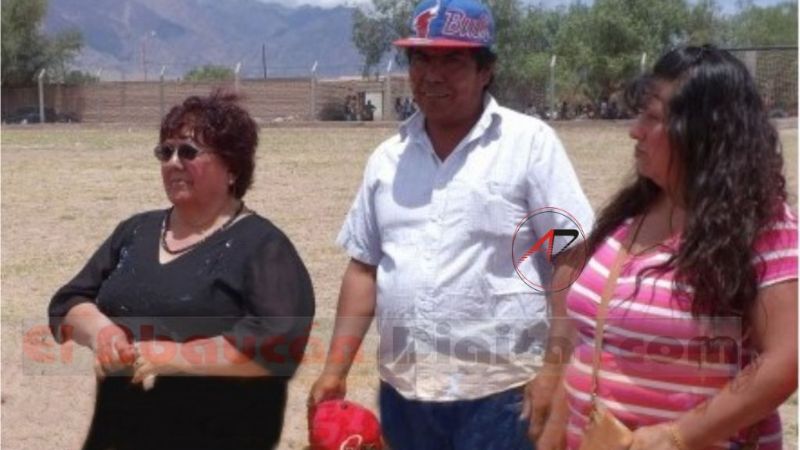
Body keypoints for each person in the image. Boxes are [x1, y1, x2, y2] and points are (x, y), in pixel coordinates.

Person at [308, 0, 593, 449]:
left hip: (502, 394)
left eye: (452, 60)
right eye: (421, 59)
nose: (432, 74)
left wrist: (555, 370)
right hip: (405, 395)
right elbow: (364, 268)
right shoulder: (388, 160)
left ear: (486, 71)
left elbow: (571, 255)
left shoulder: (528, 146)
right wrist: (335, 370)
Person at [537, 45, 797, 450]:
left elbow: (785, 360)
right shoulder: (633, 213)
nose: (634, 130)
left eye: (653, 117)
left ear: (705, 131)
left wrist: (678, 436)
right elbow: (586, 329)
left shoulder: (762, 227)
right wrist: (558, 402)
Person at [48, 90, 315, 450]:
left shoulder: (262, 247)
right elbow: (70, 301)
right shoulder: (135, 231)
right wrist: (102, 334)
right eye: (165, 151)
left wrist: (174, 357)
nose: (174, 162)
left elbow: (278, 344)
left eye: (188, 151)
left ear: (233, 167)